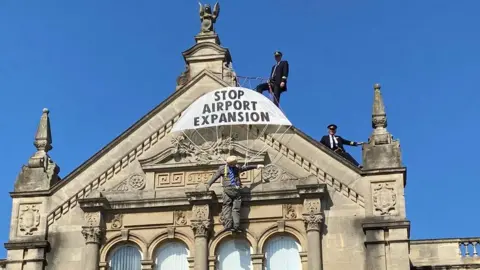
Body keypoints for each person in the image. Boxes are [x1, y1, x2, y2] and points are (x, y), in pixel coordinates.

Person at [205, 156, 264, 232]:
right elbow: (245, 168)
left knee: (227, 207)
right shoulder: (237, 168)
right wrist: (256, 166)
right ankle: (236, 226)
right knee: (236, 208)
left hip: (227, 189)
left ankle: (228, 226)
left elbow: (215, 177)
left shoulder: (222, 168)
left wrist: (208, 185)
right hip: (236, 190)